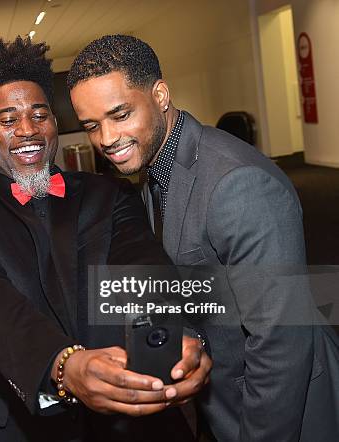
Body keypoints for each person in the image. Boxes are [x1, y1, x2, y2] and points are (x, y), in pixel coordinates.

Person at [0, 36, 211, 442]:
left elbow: (142, 270)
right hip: (14, 424)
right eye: (8, 120)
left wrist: (172, 338)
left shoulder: (108, 193)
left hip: (127, 417)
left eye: (40, 114)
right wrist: (63, 365)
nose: (27, 130)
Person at [67, 34, 339, 442]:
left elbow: (281, 343)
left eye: (120, 114)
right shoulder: (152, 172)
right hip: (221, 404)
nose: (106, 138)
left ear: (160, 95)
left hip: (281, 415)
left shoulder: (237, 183)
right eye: (92, 125)